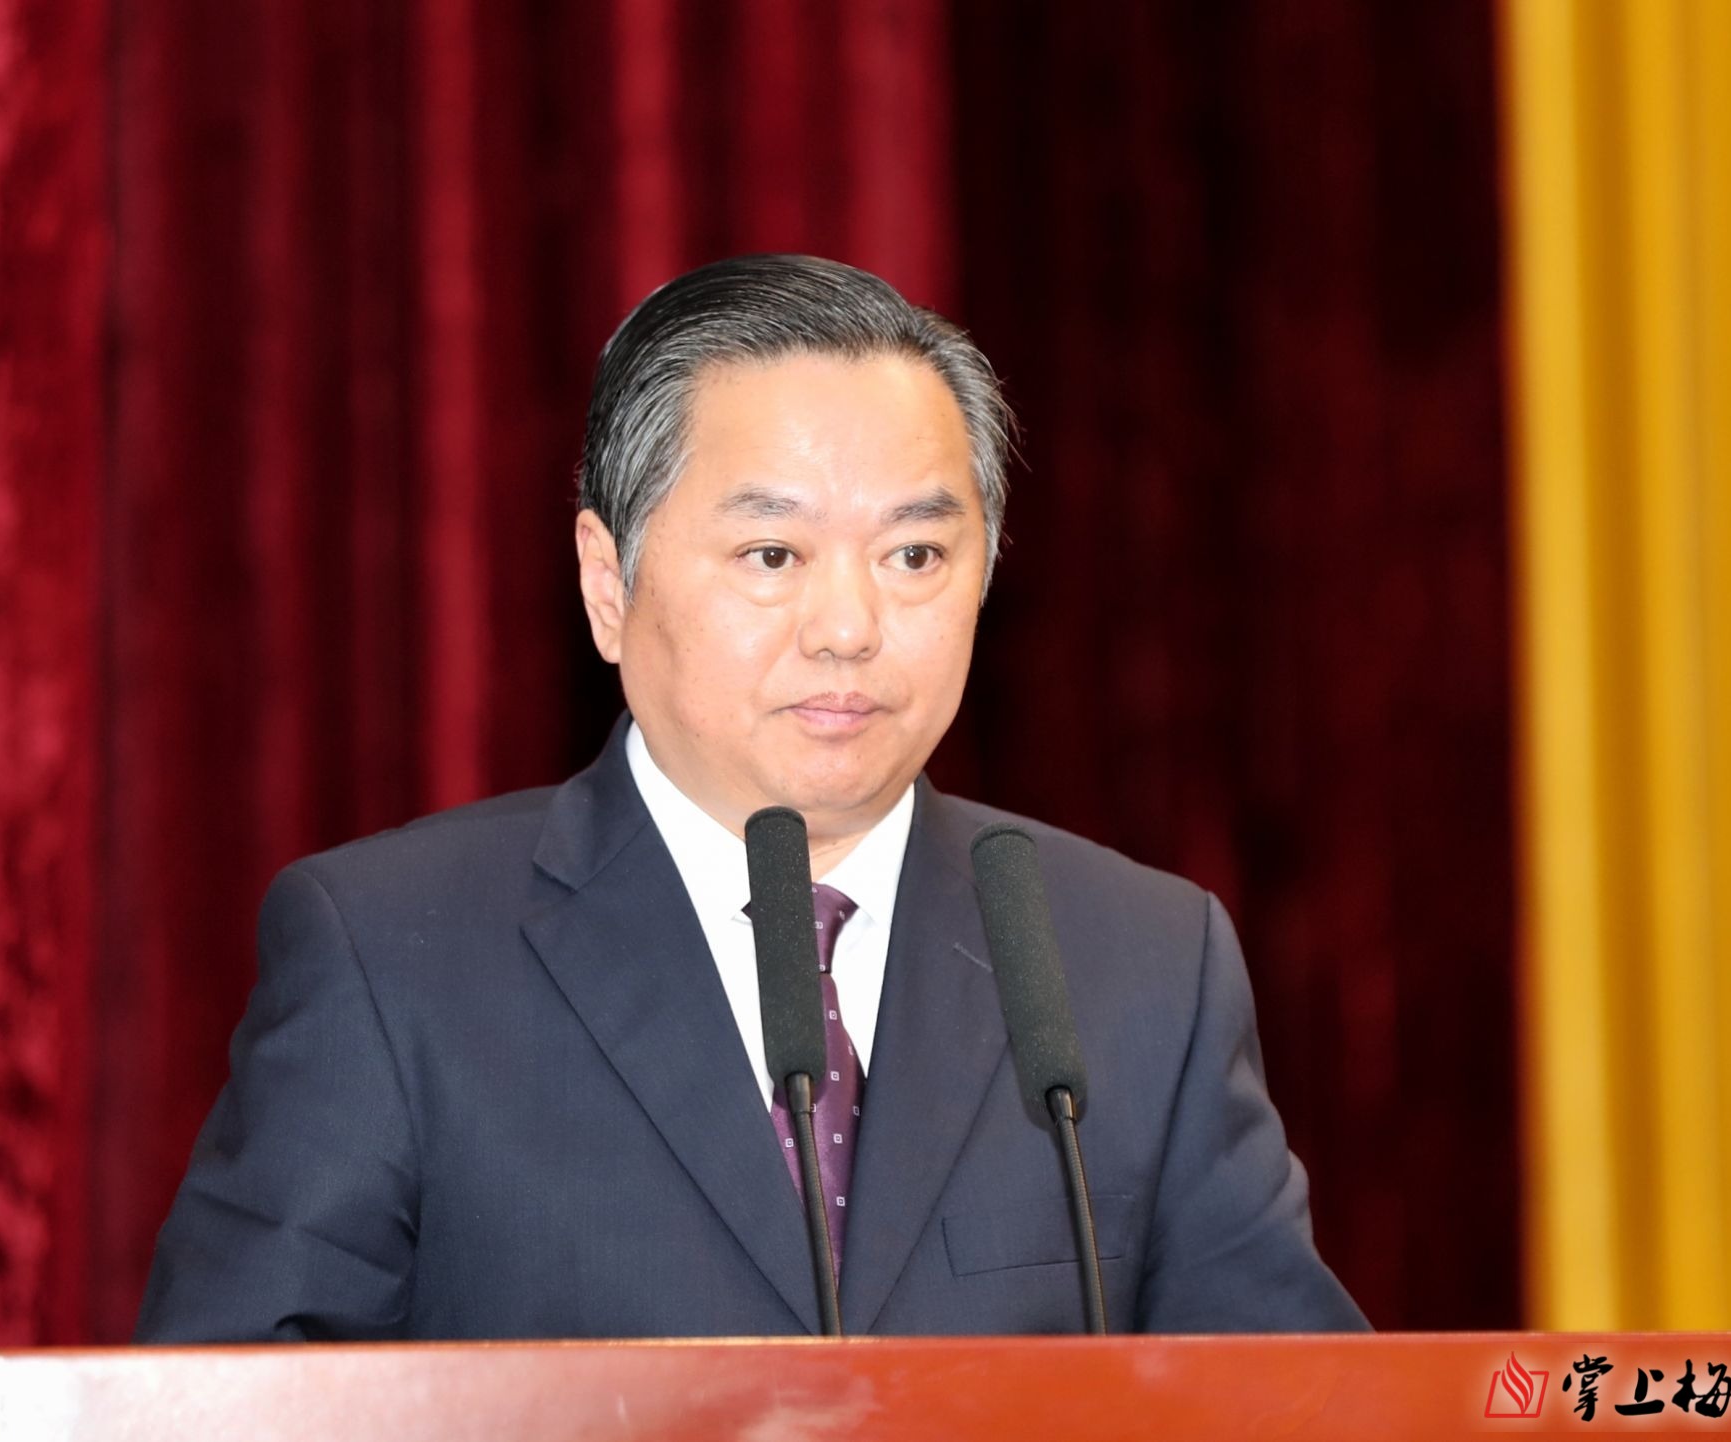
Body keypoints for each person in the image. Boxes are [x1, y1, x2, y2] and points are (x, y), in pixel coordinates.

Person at [136, 255, 1365, 1340]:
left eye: (916, 555)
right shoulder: (393, 954)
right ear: (608, 584)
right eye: (773, 555)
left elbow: (1302, 1407)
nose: (850, 627)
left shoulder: (1135, 961)